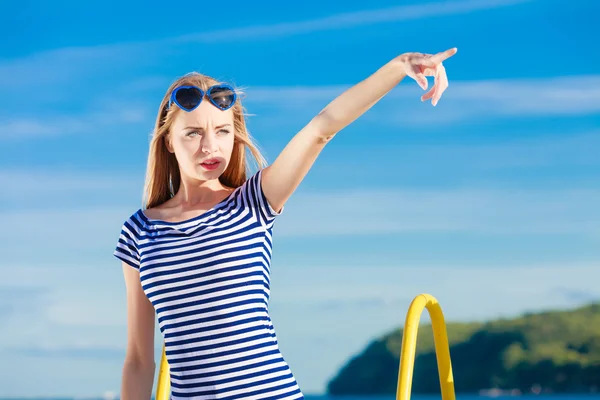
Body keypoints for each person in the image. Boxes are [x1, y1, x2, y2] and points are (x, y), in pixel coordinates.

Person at [113, 47, 457, 400]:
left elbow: (321, 129)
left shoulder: (253, 202)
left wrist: (399, 67)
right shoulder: (138, 232)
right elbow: (139, 360)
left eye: (222, 131)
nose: (210, 146)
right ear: (168, 140)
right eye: (193, 133)